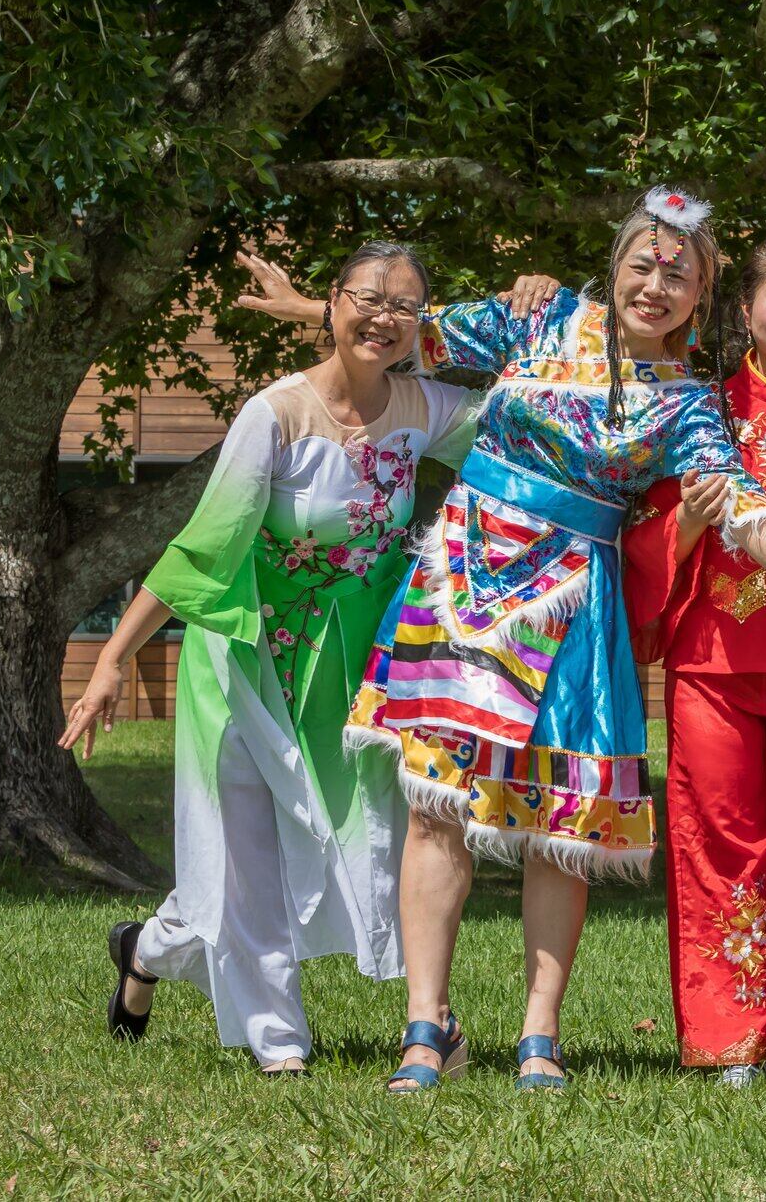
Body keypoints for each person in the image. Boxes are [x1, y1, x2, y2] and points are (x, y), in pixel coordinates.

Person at [239, 189, 766, 1093]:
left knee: (560, 825)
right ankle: (426, 1028)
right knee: (435, 805)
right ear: (615, 266)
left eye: (680, 274)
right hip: (466, 573)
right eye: (642, 265)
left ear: (703, 296)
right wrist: (312, 306)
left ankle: (538, 1036)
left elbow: (738, 501)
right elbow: (410, 338)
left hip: (577, 601)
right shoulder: (540, 315)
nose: (655, 286)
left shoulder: (691, 403)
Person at [62, 241, 478, 1075]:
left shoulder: (425, 408)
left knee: (322, 840)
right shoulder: (274, 413)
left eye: (405, 305)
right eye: (366, 297)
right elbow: (204, 551)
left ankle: (143, 949)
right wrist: (111, 657)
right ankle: (278, 1044)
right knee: (248, 849)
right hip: (247, 655)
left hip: (346, 665)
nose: (384, 317)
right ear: (332, 302)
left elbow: (529, 415)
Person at [509, 233, 766, 1095]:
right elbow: (641, 537)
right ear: (744, 308)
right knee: (716, 850)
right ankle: (731, 1040)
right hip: (713, 666)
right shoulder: (690, 403)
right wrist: (687, 521)